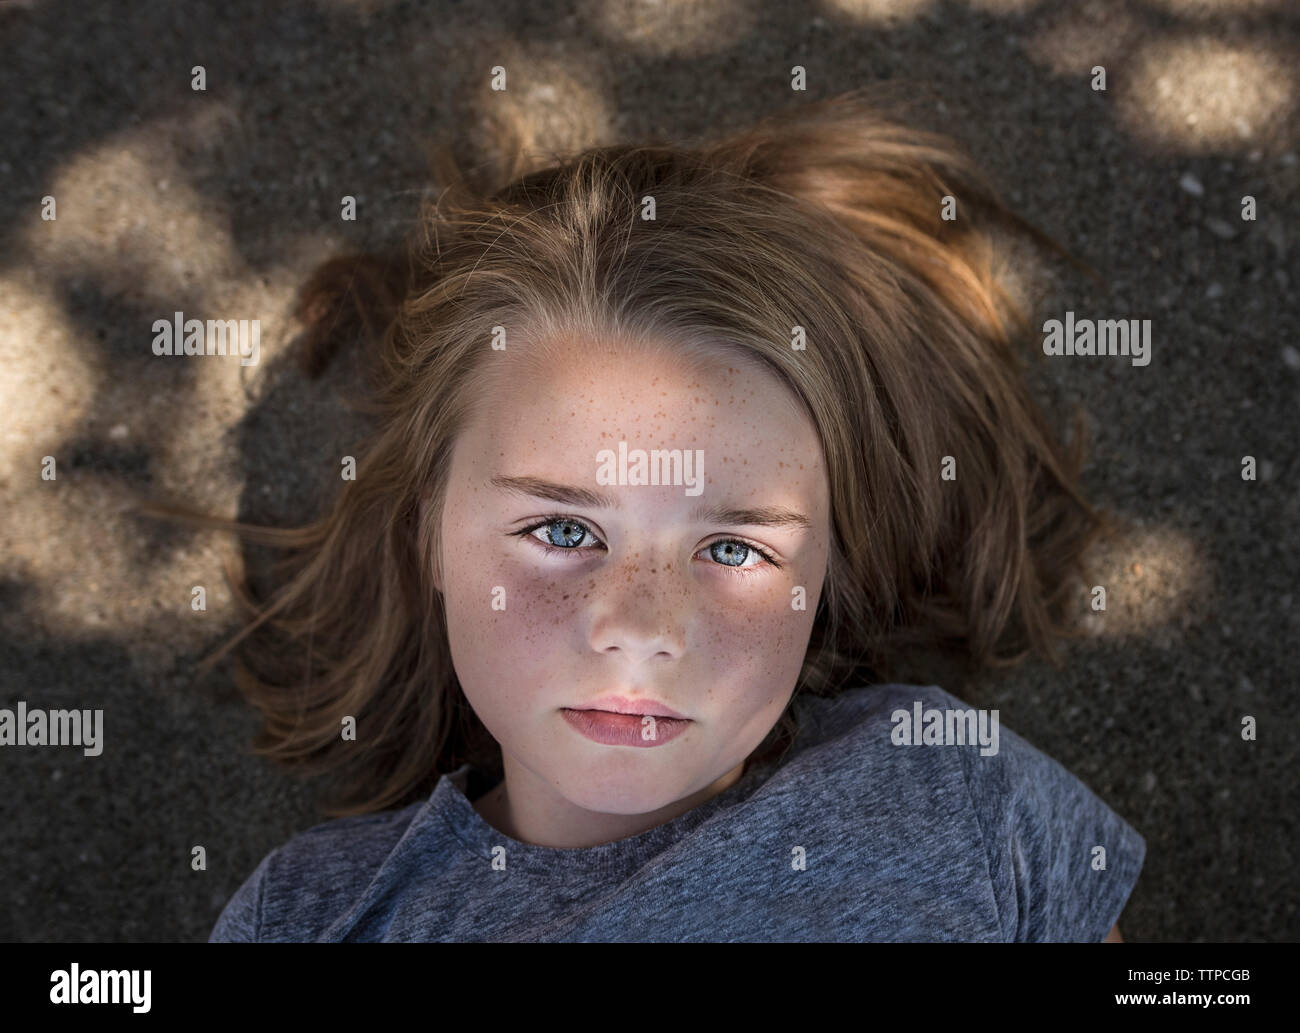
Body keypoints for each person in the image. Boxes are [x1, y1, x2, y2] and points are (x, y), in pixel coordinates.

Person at [150, 85, 1144, 941]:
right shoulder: (312, 914)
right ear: (429, 534)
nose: (640, 629)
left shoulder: (945, 789)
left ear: (829, 567)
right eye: (564, 530)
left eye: (730, 544)